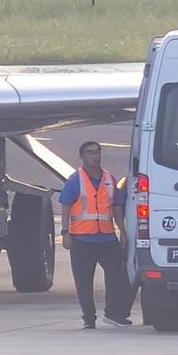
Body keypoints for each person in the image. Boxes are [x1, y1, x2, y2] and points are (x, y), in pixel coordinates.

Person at [59, 139, 131, 330]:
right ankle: (89, 319)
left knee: (117, 277)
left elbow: (116, 207)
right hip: (82, 239)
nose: (95, 156)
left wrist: (122, 231)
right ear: (82, 157)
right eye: (90, 152)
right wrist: (65, 232)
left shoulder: (109, 178)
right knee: (84, 282)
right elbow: (66, 205)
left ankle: (114, 313)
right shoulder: (76, 179)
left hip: (106, 237)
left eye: (97, 152)